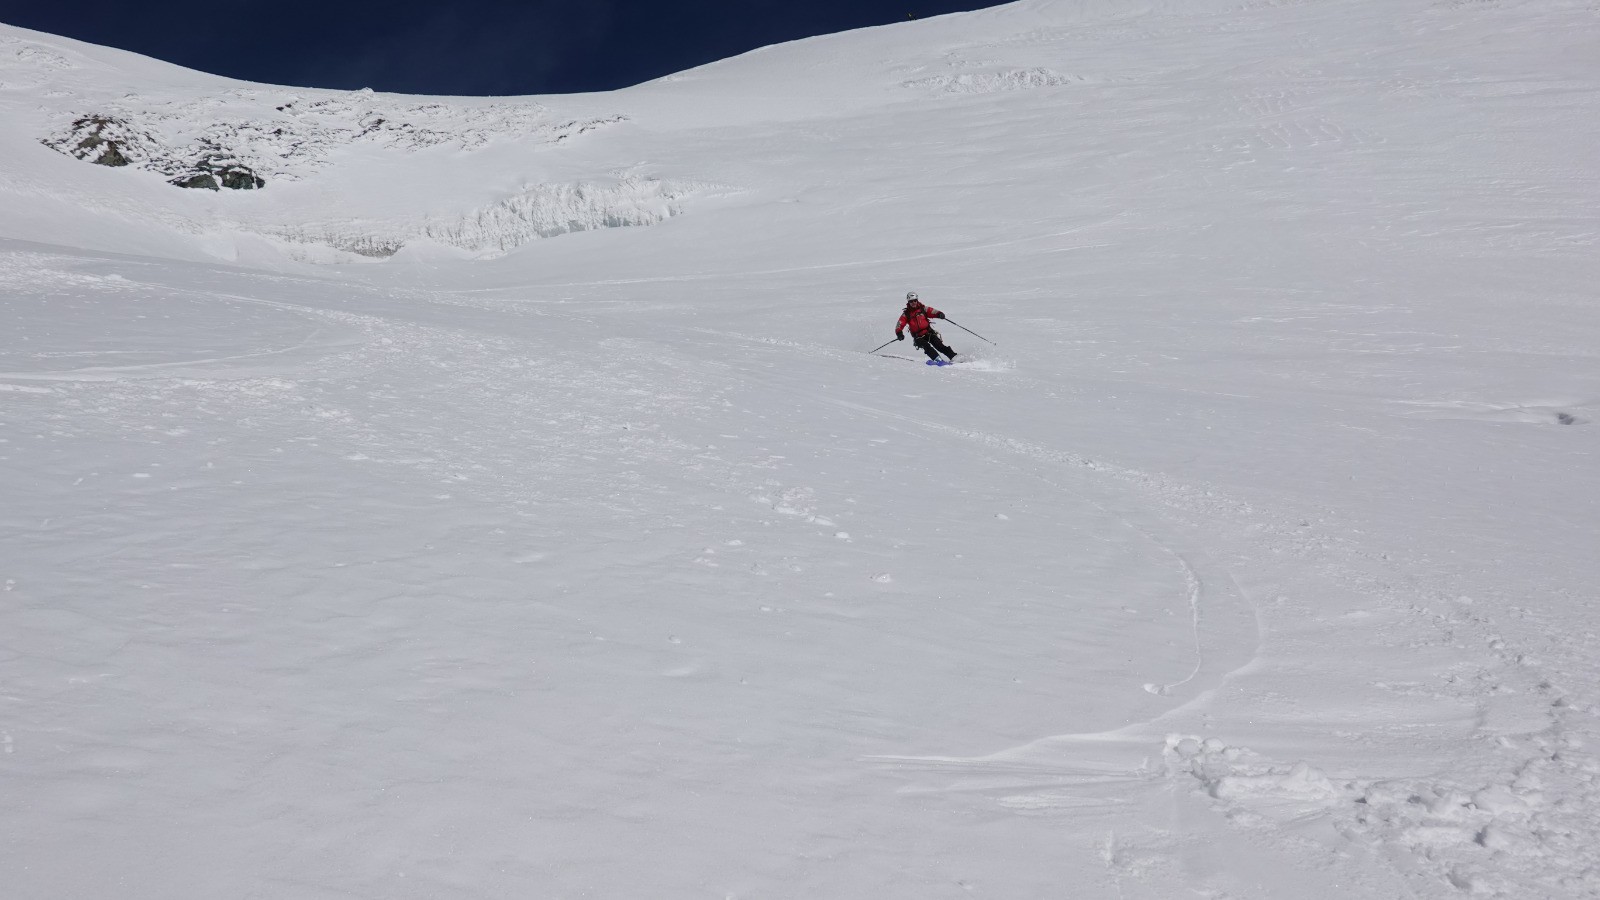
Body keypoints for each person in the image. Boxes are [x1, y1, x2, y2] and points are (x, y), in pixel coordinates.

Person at [895, 292, 958, 362]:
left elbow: (932, 311)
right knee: (926, 347)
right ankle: (938, 360)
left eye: (915, 300)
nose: (913, 303)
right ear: (908, 302)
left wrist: (939, 314)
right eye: (911, 301)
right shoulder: (906, 314)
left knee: (939, 345)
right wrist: (899, 333)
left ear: (917, 300)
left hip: (928, 332)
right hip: (918, 337)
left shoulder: (923, 309)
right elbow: (899, 324)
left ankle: (953, 356)